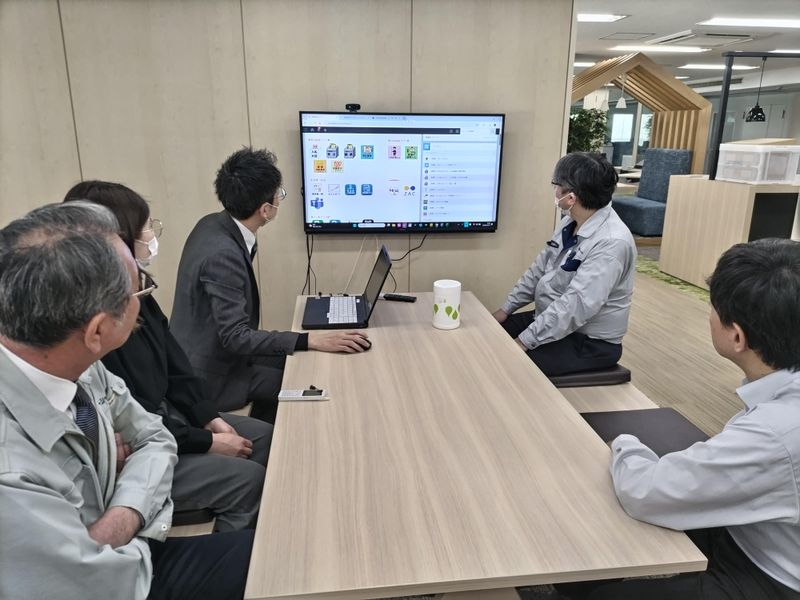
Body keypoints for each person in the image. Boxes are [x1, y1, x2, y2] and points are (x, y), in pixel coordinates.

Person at [0, 202, 253, 600]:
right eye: (140, 288)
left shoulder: (74, 360)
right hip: (111, 581)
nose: (144, 298)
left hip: (122, 547)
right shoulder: (11, 474)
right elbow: (98, 583)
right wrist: (131, 503)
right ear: (98, 330)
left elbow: (155, 437)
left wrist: (119, 516)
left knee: (268, 553)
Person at [560, 238, 800, 600]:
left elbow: (644, 492)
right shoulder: (779, 399)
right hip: (764, 530)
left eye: (713, 307)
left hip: (771, 577)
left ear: (737, 336)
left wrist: (622, 442)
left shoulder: (776, 432)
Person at [64, 180, 271, 532]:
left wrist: (208, 418)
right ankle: (234, 554)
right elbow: (134, 422)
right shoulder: (92, 328)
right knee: (247, 479)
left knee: (266, 440)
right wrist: (208, 442)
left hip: (170, 423)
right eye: (145, 227)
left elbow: (176, 366)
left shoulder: (139, 290)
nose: (151, 234)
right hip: (144, 450)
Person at [170, 148, 370, 422]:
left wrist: (307, 341)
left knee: (301, 359)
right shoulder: (223, 255)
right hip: (212, 375)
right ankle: (278, 439)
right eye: (279, 195)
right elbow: (236, 337)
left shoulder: (212, 224)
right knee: (304, 379)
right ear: (265, 210)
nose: (279, 199)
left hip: (211, 354)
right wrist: (309, 339)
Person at [492, 152, 636, 376]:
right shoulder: (571, 222)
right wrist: (506, 309)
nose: (555, 190)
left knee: (505, 365)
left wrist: (523, 342)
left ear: (571, 198)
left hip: (588, 342)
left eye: (556, 185)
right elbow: (539, 268)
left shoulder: (611, 243)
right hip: (552, 318)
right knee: (489, 334)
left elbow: (575, 306)